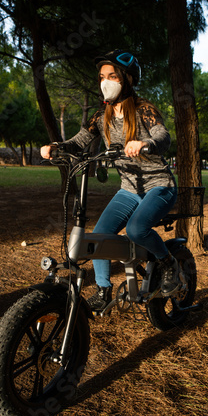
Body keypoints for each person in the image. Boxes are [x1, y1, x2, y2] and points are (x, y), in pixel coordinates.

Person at [41, 49, 178, 313]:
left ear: (127, 79)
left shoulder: (143, 109)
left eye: (112, 76)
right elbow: (79, 141)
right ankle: (103, 290)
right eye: (102, 76)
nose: (106, 81)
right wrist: (55, 147)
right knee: (98, 238)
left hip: (159, 185)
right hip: (128, 189)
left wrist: (145, 143)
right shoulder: (100, 116)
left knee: (137, 230)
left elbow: (163, 136)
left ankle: (167, 261)